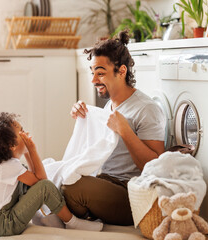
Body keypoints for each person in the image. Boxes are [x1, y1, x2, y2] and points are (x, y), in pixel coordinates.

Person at [62, 30, 166, 226]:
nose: (94, 80)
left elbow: (155, 168)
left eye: (100, 73)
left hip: (132, 193)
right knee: (59, 176)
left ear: (122, 71)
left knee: (70, 187)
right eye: (93, 73)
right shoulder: (110, 105)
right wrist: (84, 116)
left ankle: (86, 217)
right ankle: (88, 214)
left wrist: (125, 131)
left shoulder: (146, 108)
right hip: (106, 180)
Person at [0, 112, 103, 237]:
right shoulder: (9, 166)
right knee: (44, 187)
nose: (26, 133)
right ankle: (73, 223)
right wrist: (32, 151)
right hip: (4, 224)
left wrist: (27, 152)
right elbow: (43, 182)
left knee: (29, 185)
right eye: (21, 132)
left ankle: (48, 219)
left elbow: (35, 178)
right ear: (12, 145)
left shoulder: (2, 164)